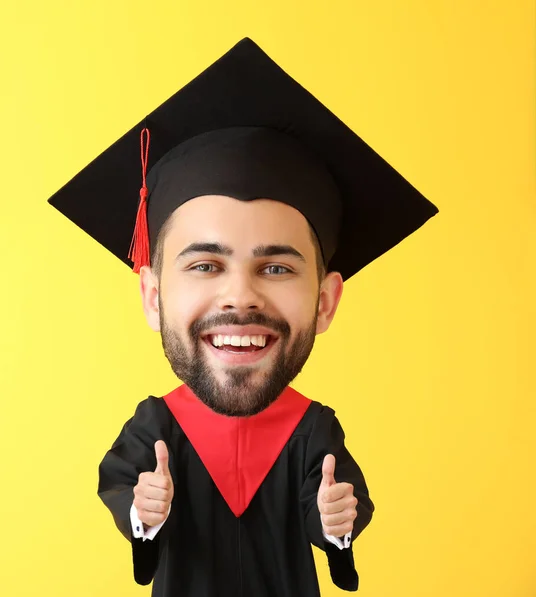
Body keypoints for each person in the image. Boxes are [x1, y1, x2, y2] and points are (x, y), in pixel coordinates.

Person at [48, 38, 438, 596]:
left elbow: (329, 506)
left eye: (277, 268)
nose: (240, 298)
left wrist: (335, 524)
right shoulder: (157, 429)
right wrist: (143, 514)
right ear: (153, 297)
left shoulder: (313, 432)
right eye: (205, 264)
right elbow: (124, 492)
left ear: (326, 302)